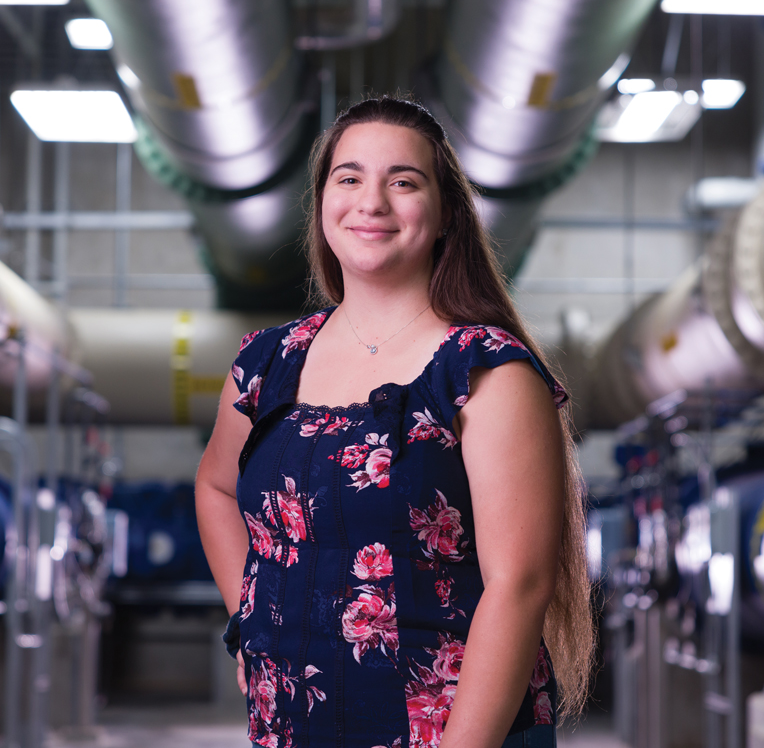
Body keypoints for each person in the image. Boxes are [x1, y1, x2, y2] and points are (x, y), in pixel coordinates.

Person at [195, 96, 592, 748]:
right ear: (322, 203)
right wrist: (250, 619)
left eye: (403, 181)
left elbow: (520, 585)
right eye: (348, 178)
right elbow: (214, 490)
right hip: (295, 725)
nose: (371, 202)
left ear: (443, 216)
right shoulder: (267, 363)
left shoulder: (484, 371)